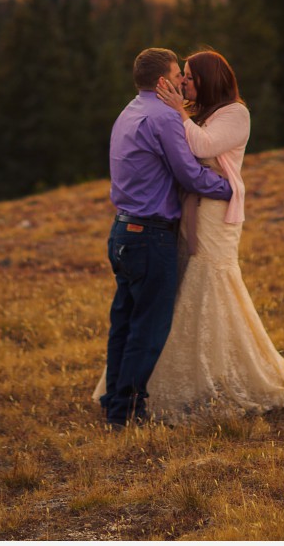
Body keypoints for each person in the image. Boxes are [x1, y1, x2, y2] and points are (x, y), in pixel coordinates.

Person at [143, 48, 284, 420]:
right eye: (184, 75)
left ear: (210, 79)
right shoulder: (199, 114)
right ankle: (185, 374)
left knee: (210, 279)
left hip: (215, 214)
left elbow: (203, 146)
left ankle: (220, 376)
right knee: (187, 281)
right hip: (192, 208)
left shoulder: (236, 113)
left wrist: (177, 112)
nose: (184, 82)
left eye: (191, 76)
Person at [98, 46, 233, 428]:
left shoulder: (130, 111)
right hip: (150, 237)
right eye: (178, 76)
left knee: (123, 322)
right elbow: (189, 174)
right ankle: (128, 413)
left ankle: (114, 403)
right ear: (162, 81)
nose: (182, 83)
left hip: (122, 231)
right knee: (149, 327)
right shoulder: (163, 117)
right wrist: (229, 189)